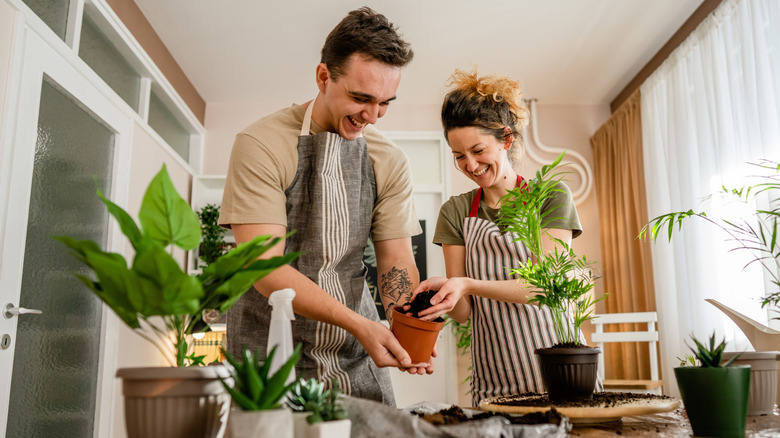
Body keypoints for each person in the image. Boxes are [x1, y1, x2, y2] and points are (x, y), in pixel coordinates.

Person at [218, 7, 429, 406]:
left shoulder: (389, 160)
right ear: (323, 77)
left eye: (385, 103)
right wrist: (361, 324)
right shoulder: (261, 144)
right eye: (361, 98)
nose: (372, 116)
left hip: (354, 356)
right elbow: (265, 268)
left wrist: (409, 326)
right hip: (268, 354)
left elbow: (396, 261)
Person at [412, 69, 599, 406]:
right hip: (495, 381)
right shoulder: (455, 212)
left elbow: (544, 288)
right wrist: (445, 295)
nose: (469, 164)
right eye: (458, 156)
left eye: (478, 150)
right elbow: (467, 312)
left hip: (563, 372)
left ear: (507, 139)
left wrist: (468, 284)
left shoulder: (551, 196)